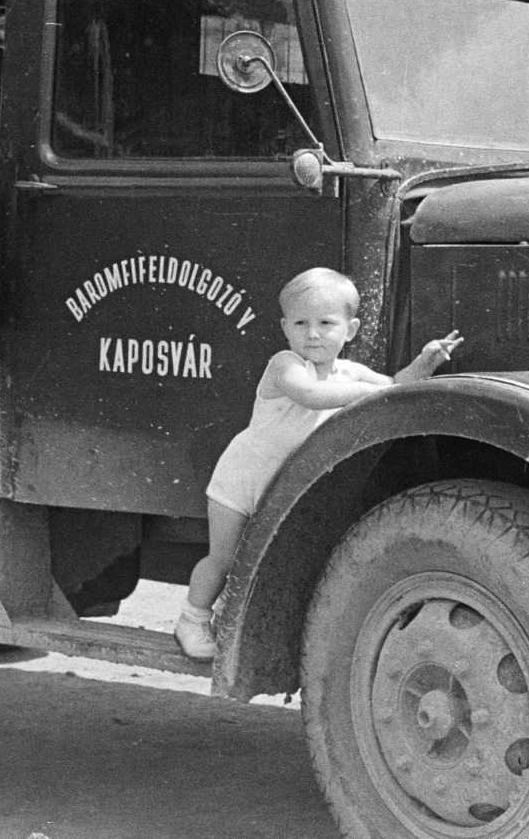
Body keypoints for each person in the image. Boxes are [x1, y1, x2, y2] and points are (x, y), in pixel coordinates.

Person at [174, 267, 464, 660]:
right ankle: (191, 620)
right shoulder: (285, 365)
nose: (312, 333)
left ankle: (230, 622)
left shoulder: (350, 372)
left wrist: (424, 365)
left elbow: (395, 387)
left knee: (262, 562)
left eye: (326, 323)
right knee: (222, 559)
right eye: (300, 323)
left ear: (351, 328)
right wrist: (366, 392)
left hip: (284, 484)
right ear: (284, 328)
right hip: (242, 478)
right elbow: (311, 395)